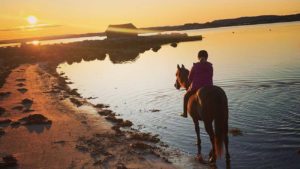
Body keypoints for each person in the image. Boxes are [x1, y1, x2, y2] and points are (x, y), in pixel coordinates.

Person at [181, 50, 213, 118]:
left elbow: (190, 78)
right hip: (209, 87)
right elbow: (211, 75)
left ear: (198, 57)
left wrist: (189, 86)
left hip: (196, 87)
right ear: (207, 57)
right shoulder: (210, 66)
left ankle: (185, 113)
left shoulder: (195, 66)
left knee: (186, 96)